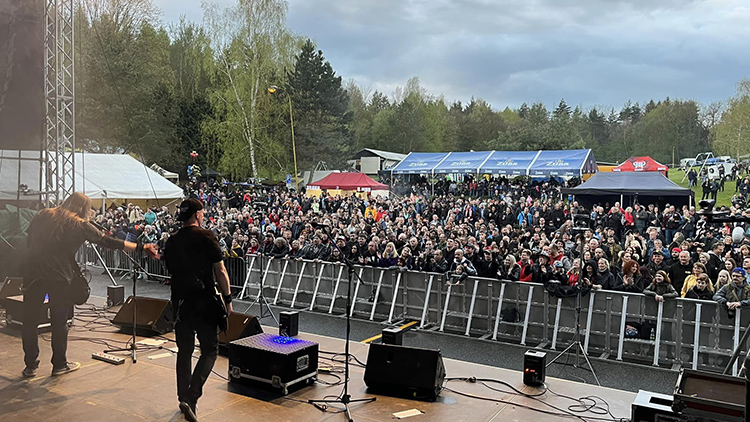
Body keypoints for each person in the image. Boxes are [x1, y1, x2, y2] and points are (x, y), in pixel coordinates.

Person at [22, 193, 158, 378]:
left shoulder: (43, 214)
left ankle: (30, 366)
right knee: (59, 322)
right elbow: (108, 241)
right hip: (58, 277)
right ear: (83, 208)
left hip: (32, 274)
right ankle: (59, 364)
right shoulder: (79, 224)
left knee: (29, 320)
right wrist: (141, 248)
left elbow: (28, 238)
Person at [163, 198, 233, 422]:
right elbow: (220, 271)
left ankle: (183, 396)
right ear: (196, 215)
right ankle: (192, 396)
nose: (203, 215)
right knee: (210, 350)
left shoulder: (172, 241)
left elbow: (171, 271)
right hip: (204, 303)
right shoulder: (207, 237)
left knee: (184, 351)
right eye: (202, 212)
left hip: (181, 304)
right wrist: (228, 299)